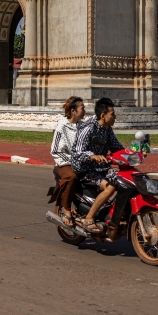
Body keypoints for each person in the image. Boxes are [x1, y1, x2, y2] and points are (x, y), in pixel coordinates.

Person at [71, 97, 123, 234]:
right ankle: (89, 218)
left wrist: (134, 154)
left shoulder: (107, 129)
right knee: (110, 187)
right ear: (103, 115)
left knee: (124, 181)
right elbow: (78, 151)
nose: (115, 117)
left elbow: (118, 148)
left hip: (101, 167)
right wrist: (92, 156)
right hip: (85, 168)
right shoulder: (88, 128)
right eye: (112, 114)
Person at [50, 96, 85, 227]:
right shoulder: (62, 127)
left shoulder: (82, 126)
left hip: (81, 162)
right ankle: (66, 209)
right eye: (82, 108)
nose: (84, 110)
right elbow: (55, 150)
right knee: (71, 176)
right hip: (64, 163)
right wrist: (72, 162)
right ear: (73, 111)